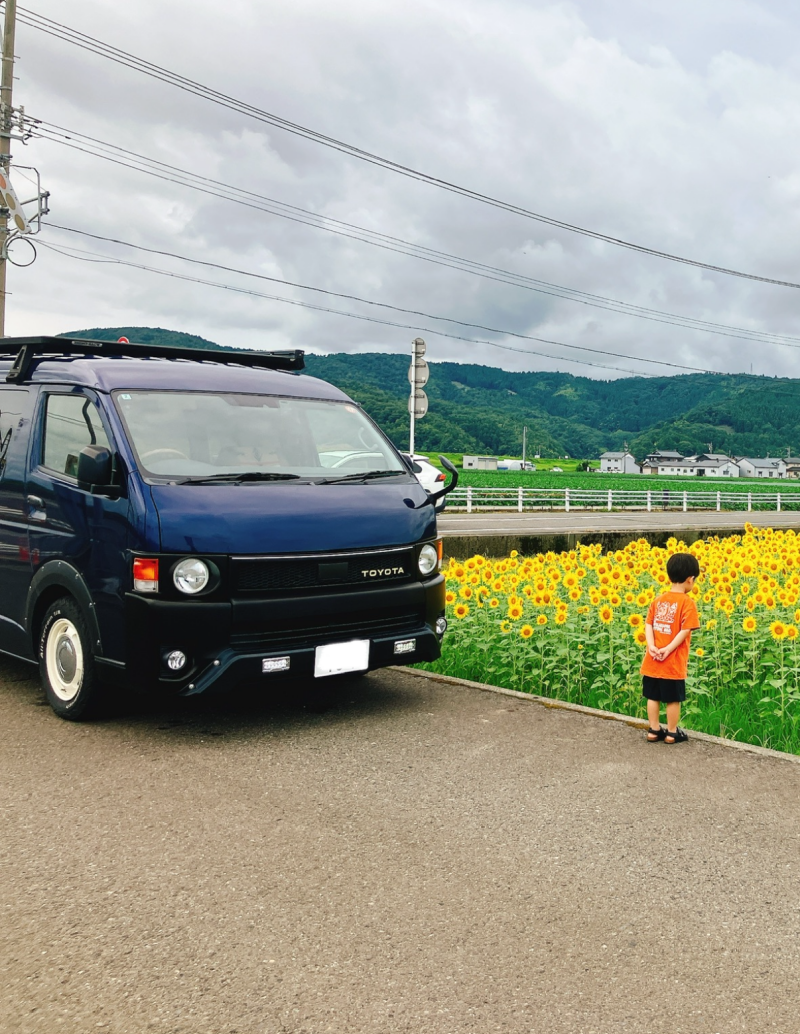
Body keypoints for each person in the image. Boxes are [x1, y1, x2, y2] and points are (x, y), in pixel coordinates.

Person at [641, 552, 701, 744]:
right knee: (672, 699)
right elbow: (685, 630)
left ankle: (653, 729)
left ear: (669, 577)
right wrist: (668, 649)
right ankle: (672, 732)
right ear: (690, 579)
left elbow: (648, 624)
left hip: (653, 659)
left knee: (653, 696)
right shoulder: (688, 603)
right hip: (672, 662)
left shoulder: (657, 601)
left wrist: (652, 646)